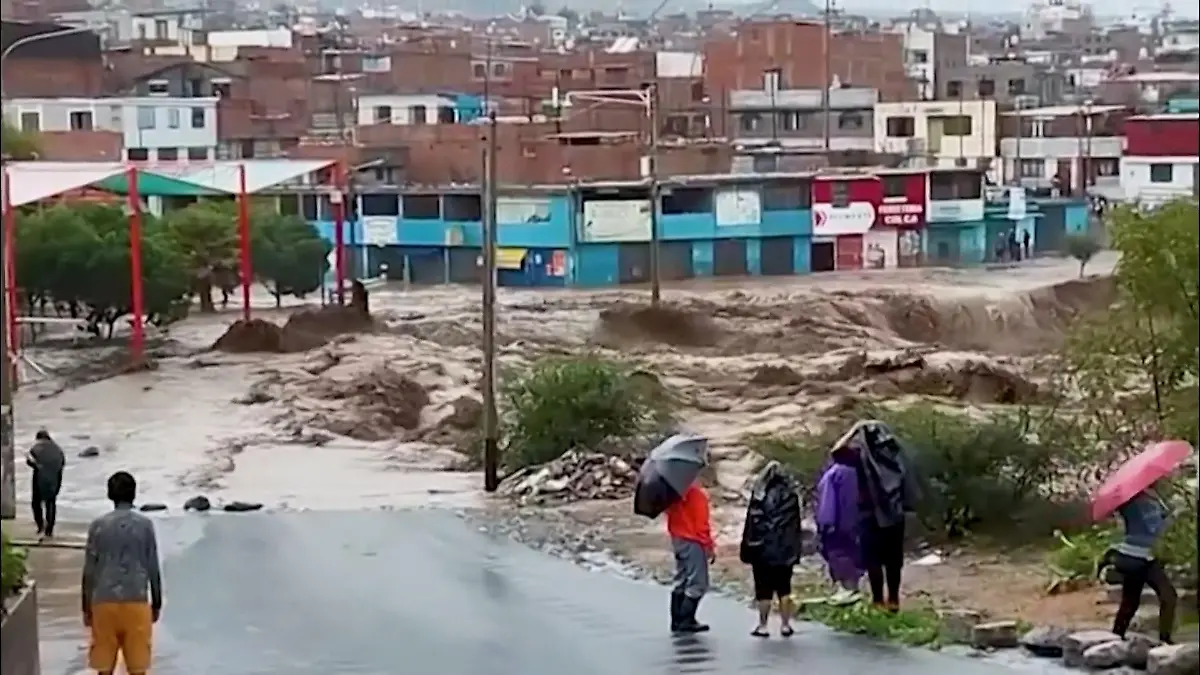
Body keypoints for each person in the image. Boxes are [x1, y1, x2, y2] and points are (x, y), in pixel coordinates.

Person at [82, 471, 164, 675]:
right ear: (134, 494)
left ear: (110, 494)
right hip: (136, 601)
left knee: (104, 668)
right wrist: (157, 602)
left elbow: (89, 571)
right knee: (138, 669)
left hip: (103, 601)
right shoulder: (145, 526)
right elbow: (152, 566)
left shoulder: (98, 526)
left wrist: (86, 607)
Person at [840, 421, 919, 612]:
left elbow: (837, 451)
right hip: (894, 514)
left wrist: (854, 430)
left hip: (869, 515)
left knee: (873, 560)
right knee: (893, 561)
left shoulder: (861, 457)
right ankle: (893, 600)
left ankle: (877, 601)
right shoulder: (897, 455)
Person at [739, 461, 803, 637]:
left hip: (763, 551)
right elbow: (795, 527)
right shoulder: (791, 496)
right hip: (785, 551)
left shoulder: (758, 497)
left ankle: (763, 625)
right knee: (784, 588)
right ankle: (785, 625)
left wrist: (747, 550)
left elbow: (751, 526)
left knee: (763, 590)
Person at [1107, 488, 1177, 644]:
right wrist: (1171, 515)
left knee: (1130, 602)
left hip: (1127, 555)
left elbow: (1141, 525)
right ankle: (1165, 640)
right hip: (1141, 557)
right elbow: (1156, 529)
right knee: (1169, 597)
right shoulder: (1145, 502)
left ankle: (1115, 638)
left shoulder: (1130, 500)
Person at [815, 446, 864, 600]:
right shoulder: (858, 473)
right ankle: (854, 588)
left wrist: (825, 524)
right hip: (856, 523)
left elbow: (828, 501)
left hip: (837, 524)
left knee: (838, 554)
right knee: (853, 554)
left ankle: (846, 589)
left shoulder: (834, 474)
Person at [666, 478, 714, 634]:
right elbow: (702, 524)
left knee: (682, 578)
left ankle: (676, 619)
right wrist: (708, 546)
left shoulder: (673, 493)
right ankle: (686, 620)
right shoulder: (696, 494)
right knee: (697, 582)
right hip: (693, 539)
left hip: (677, 538)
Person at [27, 429, 66, 538]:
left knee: (36, 503)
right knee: (51, 503)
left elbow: (30, 461)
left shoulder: (36, 448)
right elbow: (62, 464)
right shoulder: (58, 450)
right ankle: (50, 529)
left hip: (39, 479)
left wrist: (35, 465)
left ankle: (40, 526)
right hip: (54, 480)